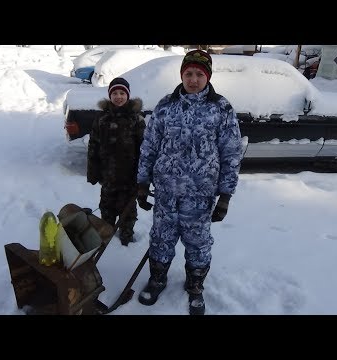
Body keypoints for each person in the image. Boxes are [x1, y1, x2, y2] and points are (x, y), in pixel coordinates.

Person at [136, 49, 243, 315]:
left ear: (207, 77)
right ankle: (158, 278)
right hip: (165, 191)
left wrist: (226, 196)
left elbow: (231, 153)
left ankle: (195, 285)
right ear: (181, 75)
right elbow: (149, 145)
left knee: (198, 241)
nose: (193, 80)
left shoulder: (221, 108)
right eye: (188, 74)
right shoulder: (165, 106)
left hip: (200, 194)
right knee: (161, 238)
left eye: (198, 74)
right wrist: (141, 182)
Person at [87, 77, 146, 246]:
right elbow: (93, 147)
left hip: (130, 178)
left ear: (127, 96)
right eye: (114, 93)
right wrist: (93, 172)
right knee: (107, 208)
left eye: (122, 93)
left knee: (128, 211)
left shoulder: (136, 119)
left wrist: (142, 178)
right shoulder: (101, 119)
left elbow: (144, 150)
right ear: (109, 96)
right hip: (108, 176)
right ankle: (107, 236)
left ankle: (126, 237)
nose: (118, 97)